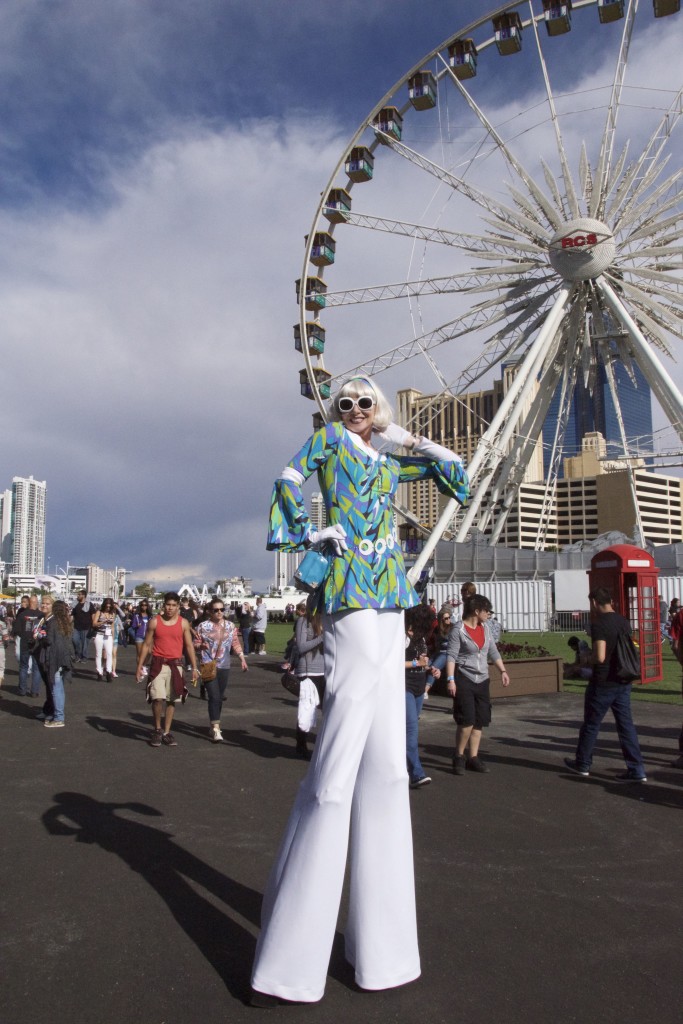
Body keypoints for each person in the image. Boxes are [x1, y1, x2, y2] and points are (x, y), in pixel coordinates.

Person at [250, 375, 468, 1006]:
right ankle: (289, 962)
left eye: (363, 404)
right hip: (346, 584)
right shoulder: (325, 443)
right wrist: (307, 533)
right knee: (341, 758)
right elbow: (287, 479)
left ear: (381, 411)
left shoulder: (389, 461)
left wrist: (406, 436)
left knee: (386, 770)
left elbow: (455, 476)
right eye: (344, 403)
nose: (351, 411)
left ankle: (386, 953)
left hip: (391, 591)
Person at [565, 586, 647, 782]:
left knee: (591, 725)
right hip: (623, 679)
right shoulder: (622, 621)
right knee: (626, 726)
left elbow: (600, 656)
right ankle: (636, 769)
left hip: (603, 682)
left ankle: (583, 763)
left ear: (594, 602)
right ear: (611, 601)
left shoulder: (599, 624)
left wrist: (585, 660)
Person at [445, 593, 510, 775]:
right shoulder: (459, 630)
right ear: (476, 611)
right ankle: (459, 756)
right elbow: (451, 656)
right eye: (486, 611)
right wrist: (450, 679)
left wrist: (502, 671)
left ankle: (473, 757)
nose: (488, 614)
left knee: (480, 721)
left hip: (483, 679)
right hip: (465, 678)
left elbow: (493, 652)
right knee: (467, 721)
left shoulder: (486, 628)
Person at [135, 592, 199, 747]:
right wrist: (140, 666)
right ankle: (157, 729)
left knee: (171, 700)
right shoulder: (154, 622)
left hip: (176, 665)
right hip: (158, 664)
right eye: (168, 605)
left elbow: (189, 646)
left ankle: (166, 732)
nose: (170, 608)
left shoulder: (183, 623)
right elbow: (147, 645)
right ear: (164, 605)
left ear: (178, 607)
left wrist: (195, 668)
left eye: (173, 605)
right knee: (157, 698)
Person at [195, 597, 248, 743]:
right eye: (216, 610)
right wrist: (200, 646)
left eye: (221, 610)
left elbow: (235, 643)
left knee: (219, 697)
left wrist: (242, 658)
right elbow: (195, 643)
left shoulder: (230, 626)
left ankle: (213, 723)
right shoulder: (202, 626)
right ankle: (216, 728)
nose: (219, 612)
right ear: (209, 612)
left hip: (225, 664)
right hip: (207, 664)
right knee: (214, 696)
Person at [405, 604, 440, 788]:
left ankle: (404, 768)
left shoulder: (421, 639)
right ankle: (416, 772)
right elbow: (393, 662)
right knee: (411, 730)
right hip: (406, 686)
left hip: (419, 686)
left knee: (410, 729)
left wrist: (430, 668)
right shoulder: (403, 637)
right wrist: (415, 662)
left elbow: (423, 661)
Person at [291, 600, 326, 760]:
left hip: (325, 671)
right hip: (308, 670)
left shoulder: (326, 620)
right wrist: (322, 638)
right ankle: (301, 744)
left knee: (328, 709)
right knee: (307, 708)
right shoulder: (303, 621)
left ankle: (323, 745)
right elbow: (302, 647)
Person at [33, 598, 75, 728]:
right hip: (64, 658)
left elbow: (49, 640)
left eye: (48, 604)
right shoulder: (64, 622)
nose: (44, 606)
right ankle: (55, 714)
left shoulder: (53, 622)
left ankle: (58, 717)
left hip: (55, 658)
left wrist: (40, 636)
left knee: (56, 689)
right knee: (57, 688)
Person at [13, 595, 43, 697]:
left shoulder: (22, 614)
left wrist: (25, 635)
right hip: (37, 643)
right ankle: (34, 691)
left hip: (25, 642)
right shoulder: (42, 616)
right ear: (37, 603)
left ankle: (22, 690)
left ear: (29, 602)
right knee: (36, 668)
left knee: (23, 666)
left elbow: (16, 630)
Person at [91, 598, 121, 682]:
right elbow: (94, 623)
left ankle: (108, 671)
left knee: (109, 654)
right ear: (104, 605)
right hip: (99, 634)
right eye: (107, 606)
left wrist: (114, 637)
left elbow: (112, 626)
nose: (108, 608)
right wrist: (103, 622)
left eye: (109, 606)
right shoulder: (99, 612)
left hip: (109, 636)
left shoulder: (112, 613)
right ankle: (99, 672)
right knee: (98, 654)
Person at [71, 591, 92, 662]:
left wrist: (93, 626)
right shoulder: (76, 604)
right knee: (74, 640)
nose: (78, 596)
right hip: (76, 627)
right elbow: (72, 615)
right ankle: (77, 655)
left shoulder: (89, 604)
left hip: (86, 627)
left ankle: (84, 656)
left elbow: (93, 615)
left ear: (83, 596)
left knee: (84, 643)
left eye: (79, 594)